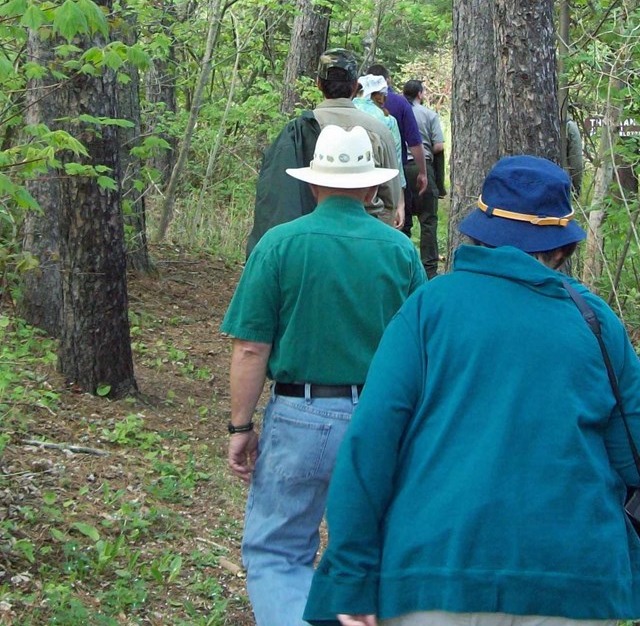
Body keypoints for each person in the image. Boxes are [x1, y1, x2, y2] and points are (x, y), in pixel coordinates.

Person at [304, 155, 640, 626]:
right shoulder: (596, 323)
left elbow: (371, 442)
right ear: (562, 249)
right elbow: (632, 453)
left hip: (434, 575)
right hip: (572, 582)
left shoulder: (429, 310)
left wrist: (352, 572)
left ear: (477, 233)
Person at [221, 124, 426, 626]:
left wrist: (241, 426)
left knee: (278, 552)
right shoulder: (399, 251)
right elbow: (424, 347)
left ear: (313, 184)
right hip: (381, 420)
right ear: (373, 188)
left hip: (300, 416)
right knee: (374, 549)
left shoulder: (279, 244)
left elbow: (250, 348)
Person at [247, 49, 403, 256]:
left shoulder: (297, 131)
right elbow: (389, 202)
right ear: (356, 85)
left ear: (318, 84)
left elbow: (277, 200)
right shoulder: (380, 130)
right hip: (365, 249)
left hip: (306, 250)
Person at [366, 64, 428, 236]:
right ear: (388, 81)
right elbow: (414, 143)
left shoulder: (352, 106)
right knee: (398, 227)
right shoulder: (399, 104)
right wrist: (422, 172)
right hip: (390, 177)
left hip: (358, 179)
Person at [403, 79, 445, 279]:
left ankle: (403, 267)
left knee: (403, 221)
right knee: (428, 221)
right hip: (423, 168)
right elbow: (438, 147)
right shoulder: (429, 114)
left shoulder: (395, 111)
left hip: (400, 168)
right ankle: (429, 271)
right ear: (420, 94)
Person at [354, 74, 407, 192]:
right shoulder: (388, 121)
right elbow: (395, 156)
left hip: (346, 181)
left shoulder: (346, 111)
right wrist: (399, 188)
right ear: (380, 97)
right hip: (377, 185)